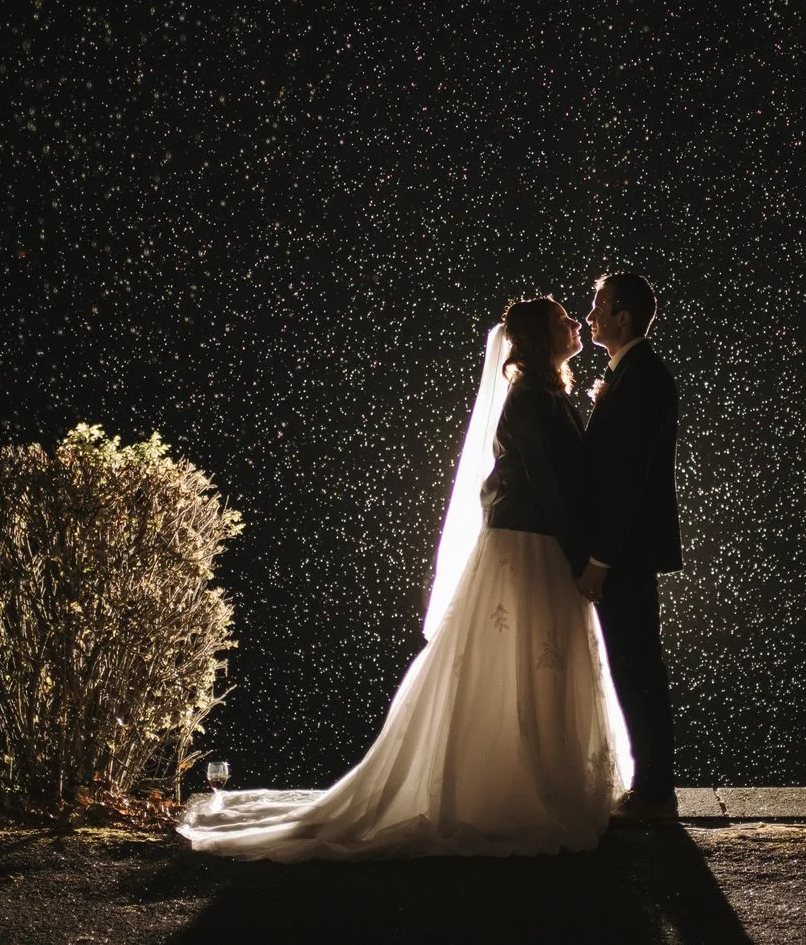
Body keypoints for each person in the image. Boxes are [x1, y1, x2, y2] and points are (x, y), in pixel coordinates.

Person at [178, 297, 628, 860]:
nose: (574, 322)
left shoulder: (548, 395)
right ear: (541, 338)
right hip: (528, 547)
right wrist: (581, 556)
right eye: (563, 317)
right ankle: (517, 789)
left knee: (539, 662)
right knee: (522, 662)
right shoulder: (529, 400)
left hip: (540, 544)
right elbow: (547, 486)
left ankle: (542, 777)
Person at [577, 269, 682, 821]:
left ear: (623, 315)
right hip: (626, 550)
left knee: (638, 667)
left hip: (626, 553)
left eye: (598, 305)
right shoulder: (630, 373)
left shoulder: (642, 378)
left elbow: (627, 481)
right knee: (632, 664)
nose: (589, 314)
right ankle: (651, 785)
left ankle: (655, 792)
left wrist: (600, 560)